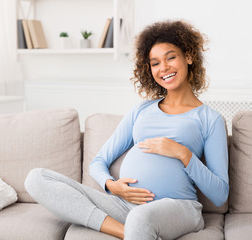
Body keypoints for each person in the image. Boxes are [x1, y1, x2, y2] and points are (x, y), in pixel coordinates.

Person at [24, 20, 229, 240]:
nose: (164, 68)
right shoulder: (142, 110)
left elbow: (220, 195)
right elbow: (98, 161)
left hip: (179, 207)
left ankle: (136, 228)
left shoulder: (210, 119)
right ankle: (126, 232)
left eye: (171, 57)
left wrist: (183, 154)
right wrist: (112, 186)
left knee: (140, 218)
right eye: (155, 63)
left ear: (188, 57)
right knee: (36, 179)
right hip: (124, 206)